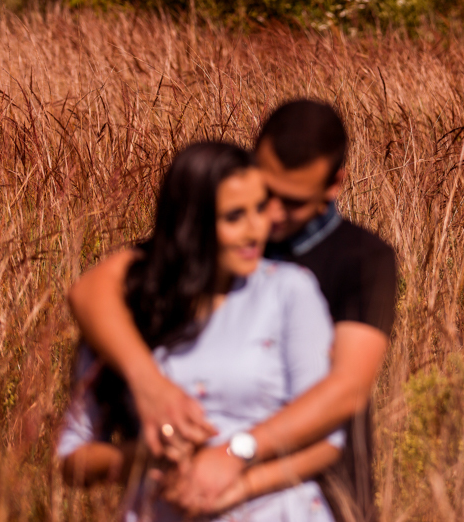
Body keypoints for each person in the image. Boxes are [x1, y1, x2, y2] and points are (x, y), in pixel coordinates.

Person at [67, 100, 398, 521]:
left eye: (292, 202)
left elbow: (345, 390)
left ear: (335, 184)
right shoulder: (218, 235)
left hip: (321, 491)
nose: (271, 215)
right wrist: (148, 383)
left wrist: (235, 455)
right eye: (266, 191)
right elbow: (90, 292)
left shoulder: (361, 258)